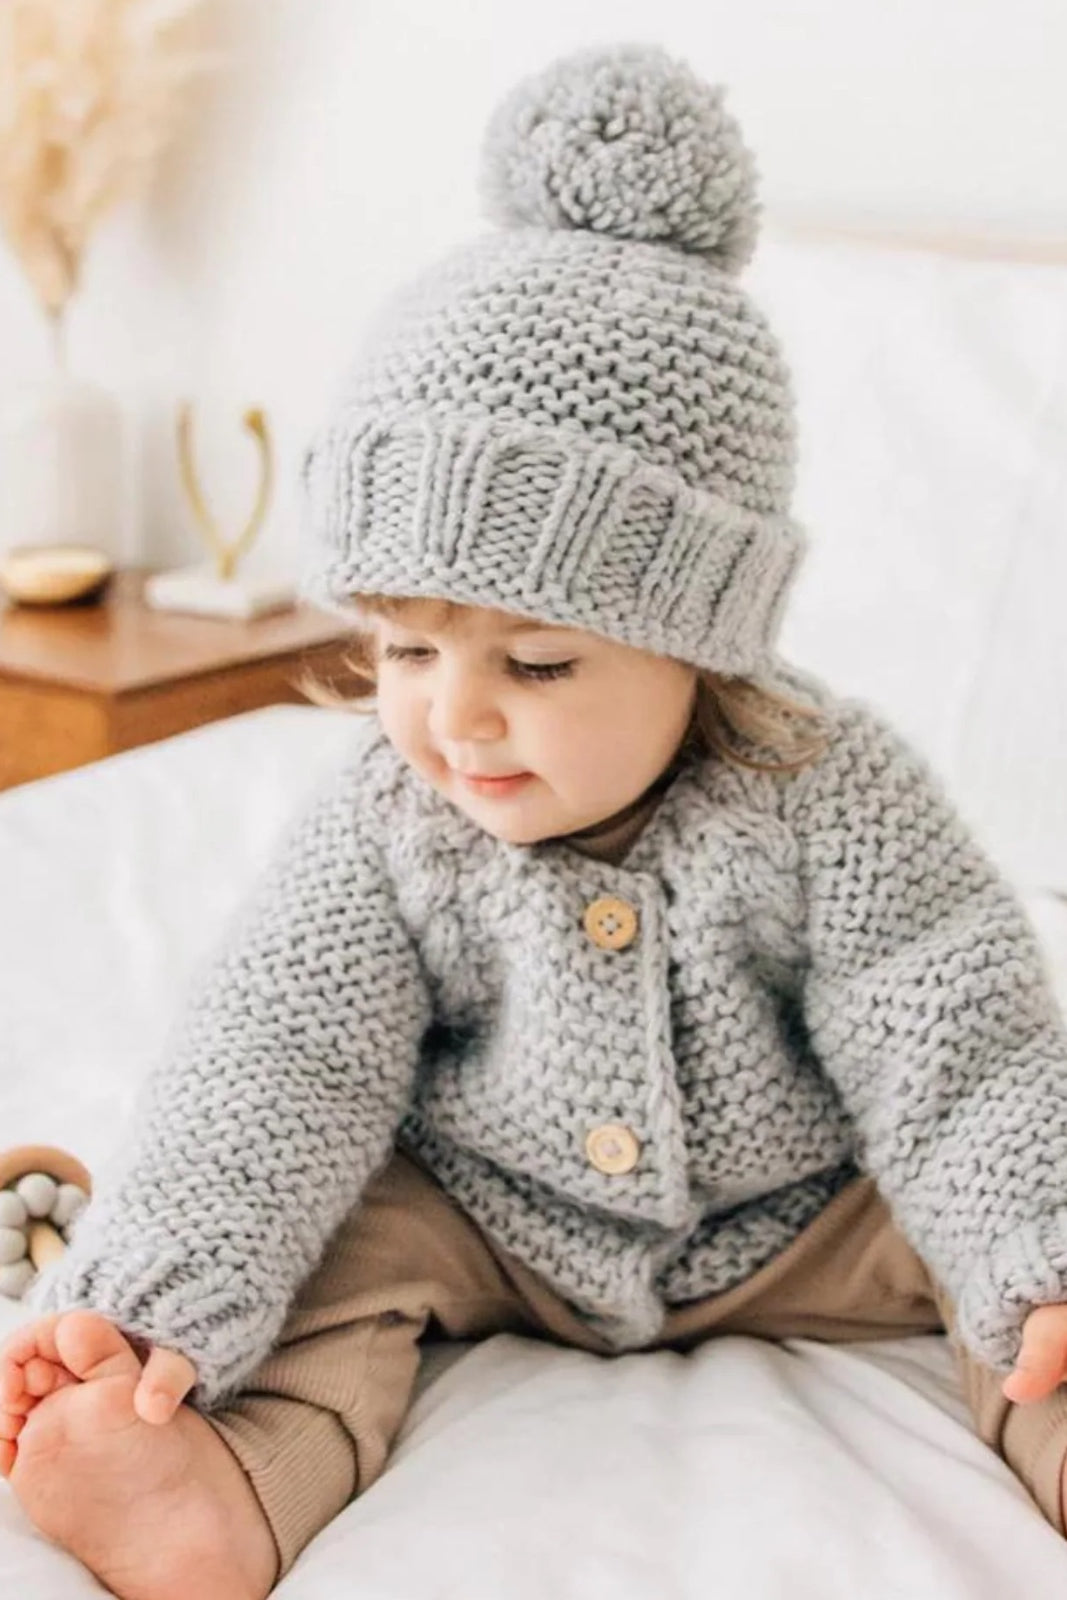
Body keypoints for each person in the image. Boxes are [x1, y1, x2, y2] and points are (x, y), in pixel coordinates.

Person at [3, 41, 1067, 1600]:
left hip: (804, 1212)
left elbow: (958, 1046)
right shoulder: (391, 824)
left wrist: (1040, 1246)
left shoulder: (825, 795)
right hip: (484, 1206)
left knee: (998, 1262)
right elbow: (275, 1056)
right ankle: (212, 1482)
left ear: (702, 642)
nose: (455, 719)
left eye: (539, 663)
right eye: (405, 651)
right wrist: (159, 1288)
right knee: (323, 1242)